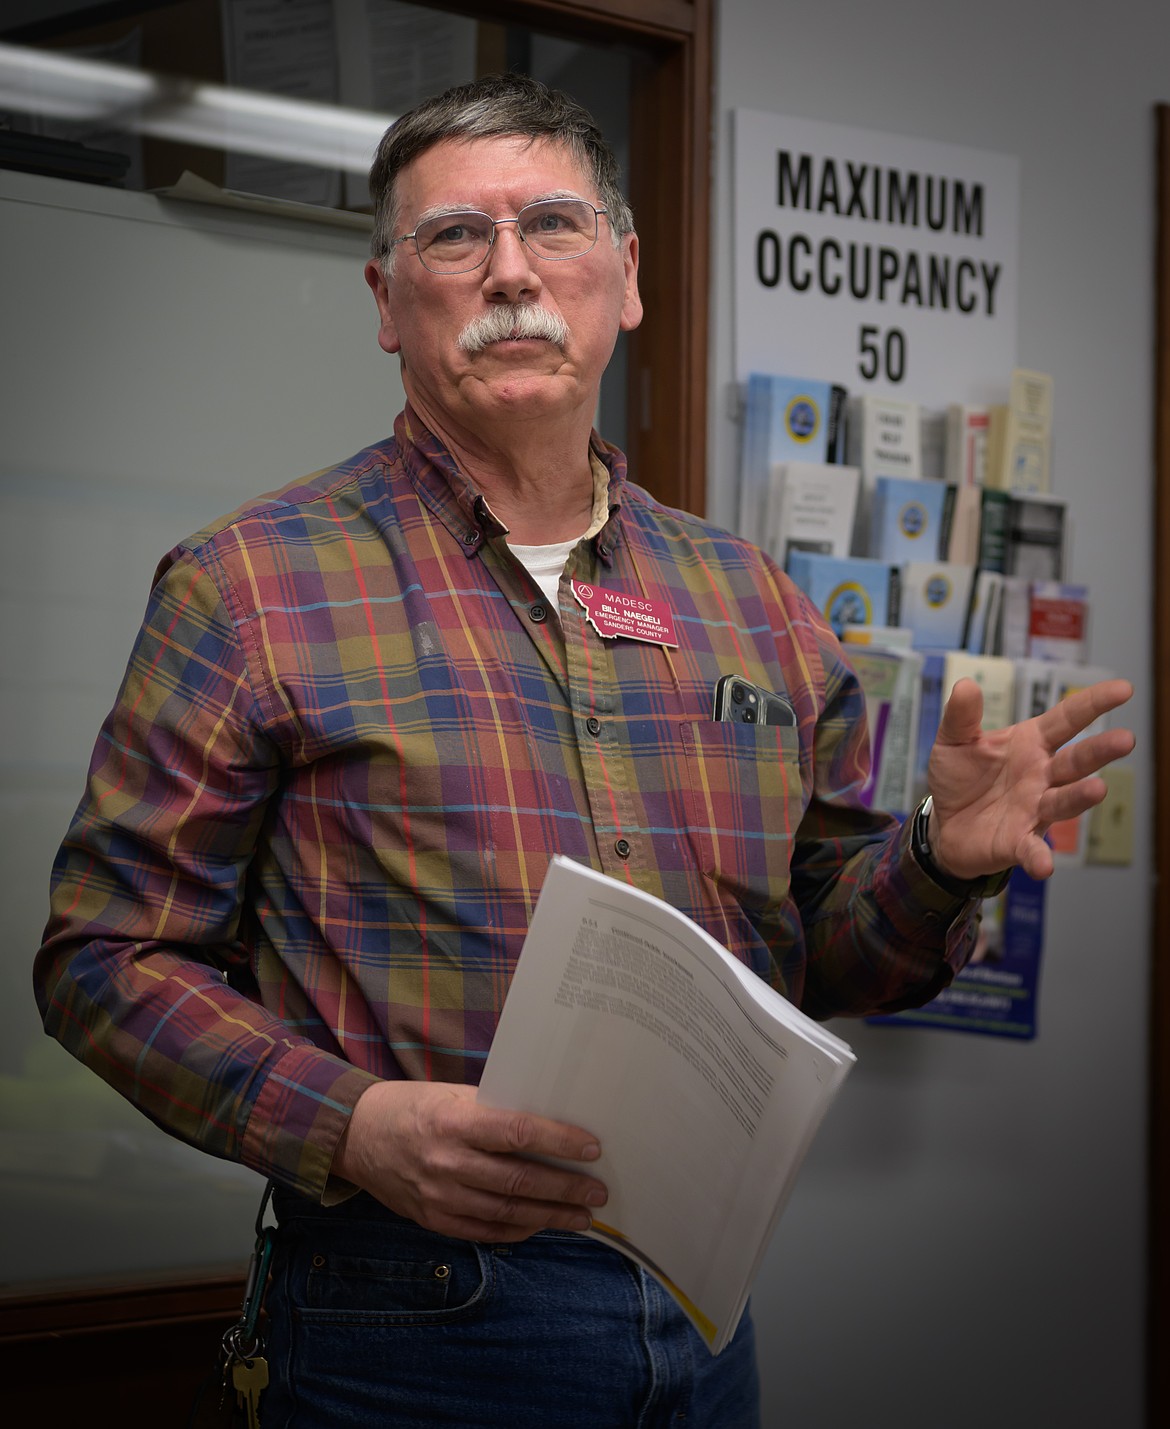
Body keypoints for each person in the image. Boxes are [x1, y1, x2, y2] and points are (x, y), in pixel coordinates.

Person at [34, 73, 1133, 1428]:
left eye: (553, 224)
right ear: (388, 302)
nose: (508, 270)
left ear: (624, 280)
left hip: (701, 1305)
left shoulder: (749, 599)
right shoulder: (251, 585)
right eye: (453, 237)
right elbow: (104, 960)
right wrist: (352, 1124)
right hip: (406, 1310)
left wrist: (935, 857)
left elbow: (835, 951)